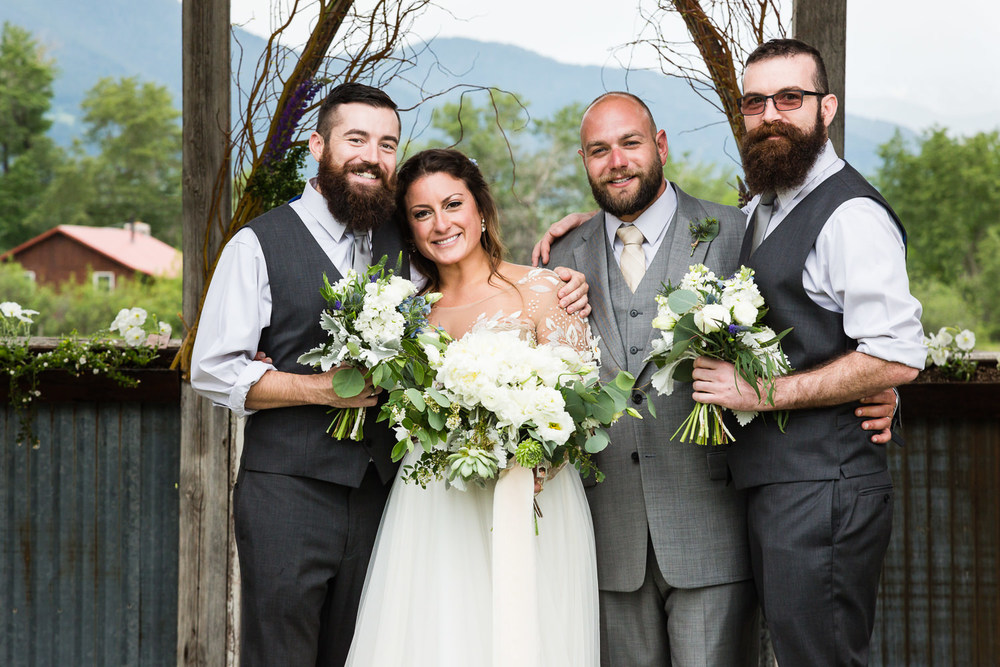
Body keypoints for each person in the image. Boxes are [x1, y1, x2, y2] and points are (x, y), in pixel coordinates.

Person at [191, 82, 591, 665]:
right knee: (279, 651)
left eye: (386, 144)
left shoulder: (401, 248)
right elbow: (211, 370)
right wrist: (318, 388)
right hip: (290, 491)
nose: (371, 156)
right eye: (356, 139)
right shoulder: (258, 244)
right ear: (316, 145)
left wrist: (576, 243)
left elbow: (475, 275)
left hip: (386, 495)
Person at [534, 91, 898, 666]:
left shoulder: (739, 231)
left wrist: (883, 385)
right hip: (607, 537)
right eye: (598, 150)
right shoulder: (559, 257)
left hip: (714, 526)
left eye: (630, 143)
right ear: (584, 160)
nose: (616, 161)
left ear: (659, 146)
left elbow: (819, 330)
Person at [689, 39, 925, 666]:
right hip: (781, 486)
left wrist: (756, 394)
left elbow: (896, 352)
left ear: (827, 109)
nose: (771, 115)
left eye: (789, 98)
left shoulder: (850, 215)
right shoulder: (761, 209)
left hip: (825, 488)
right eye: (755, 102)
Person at [345, 148, 599, 666]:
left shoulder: (545, 291)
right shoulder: (408, 317)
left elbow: (582, 406)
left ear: (481, 211)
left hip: (529, 494)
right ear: (410, 228)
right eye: (422, 213)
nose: (441, 224)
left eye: (453, 204)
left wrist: (531, 458)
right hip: (434, 504)